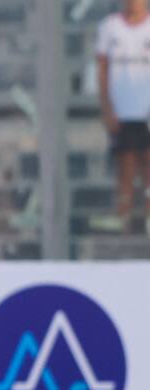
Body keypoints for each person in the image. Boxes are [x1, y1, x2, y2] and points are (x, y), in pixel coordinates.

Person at [96, 0, 150, 233]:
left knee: (148, 166)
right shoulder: (109, 27)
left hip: (146, 109)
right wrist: (107, 108)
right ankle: (122, 218)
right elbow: (102, 69)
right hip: (122, 109)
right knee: (125, 165)